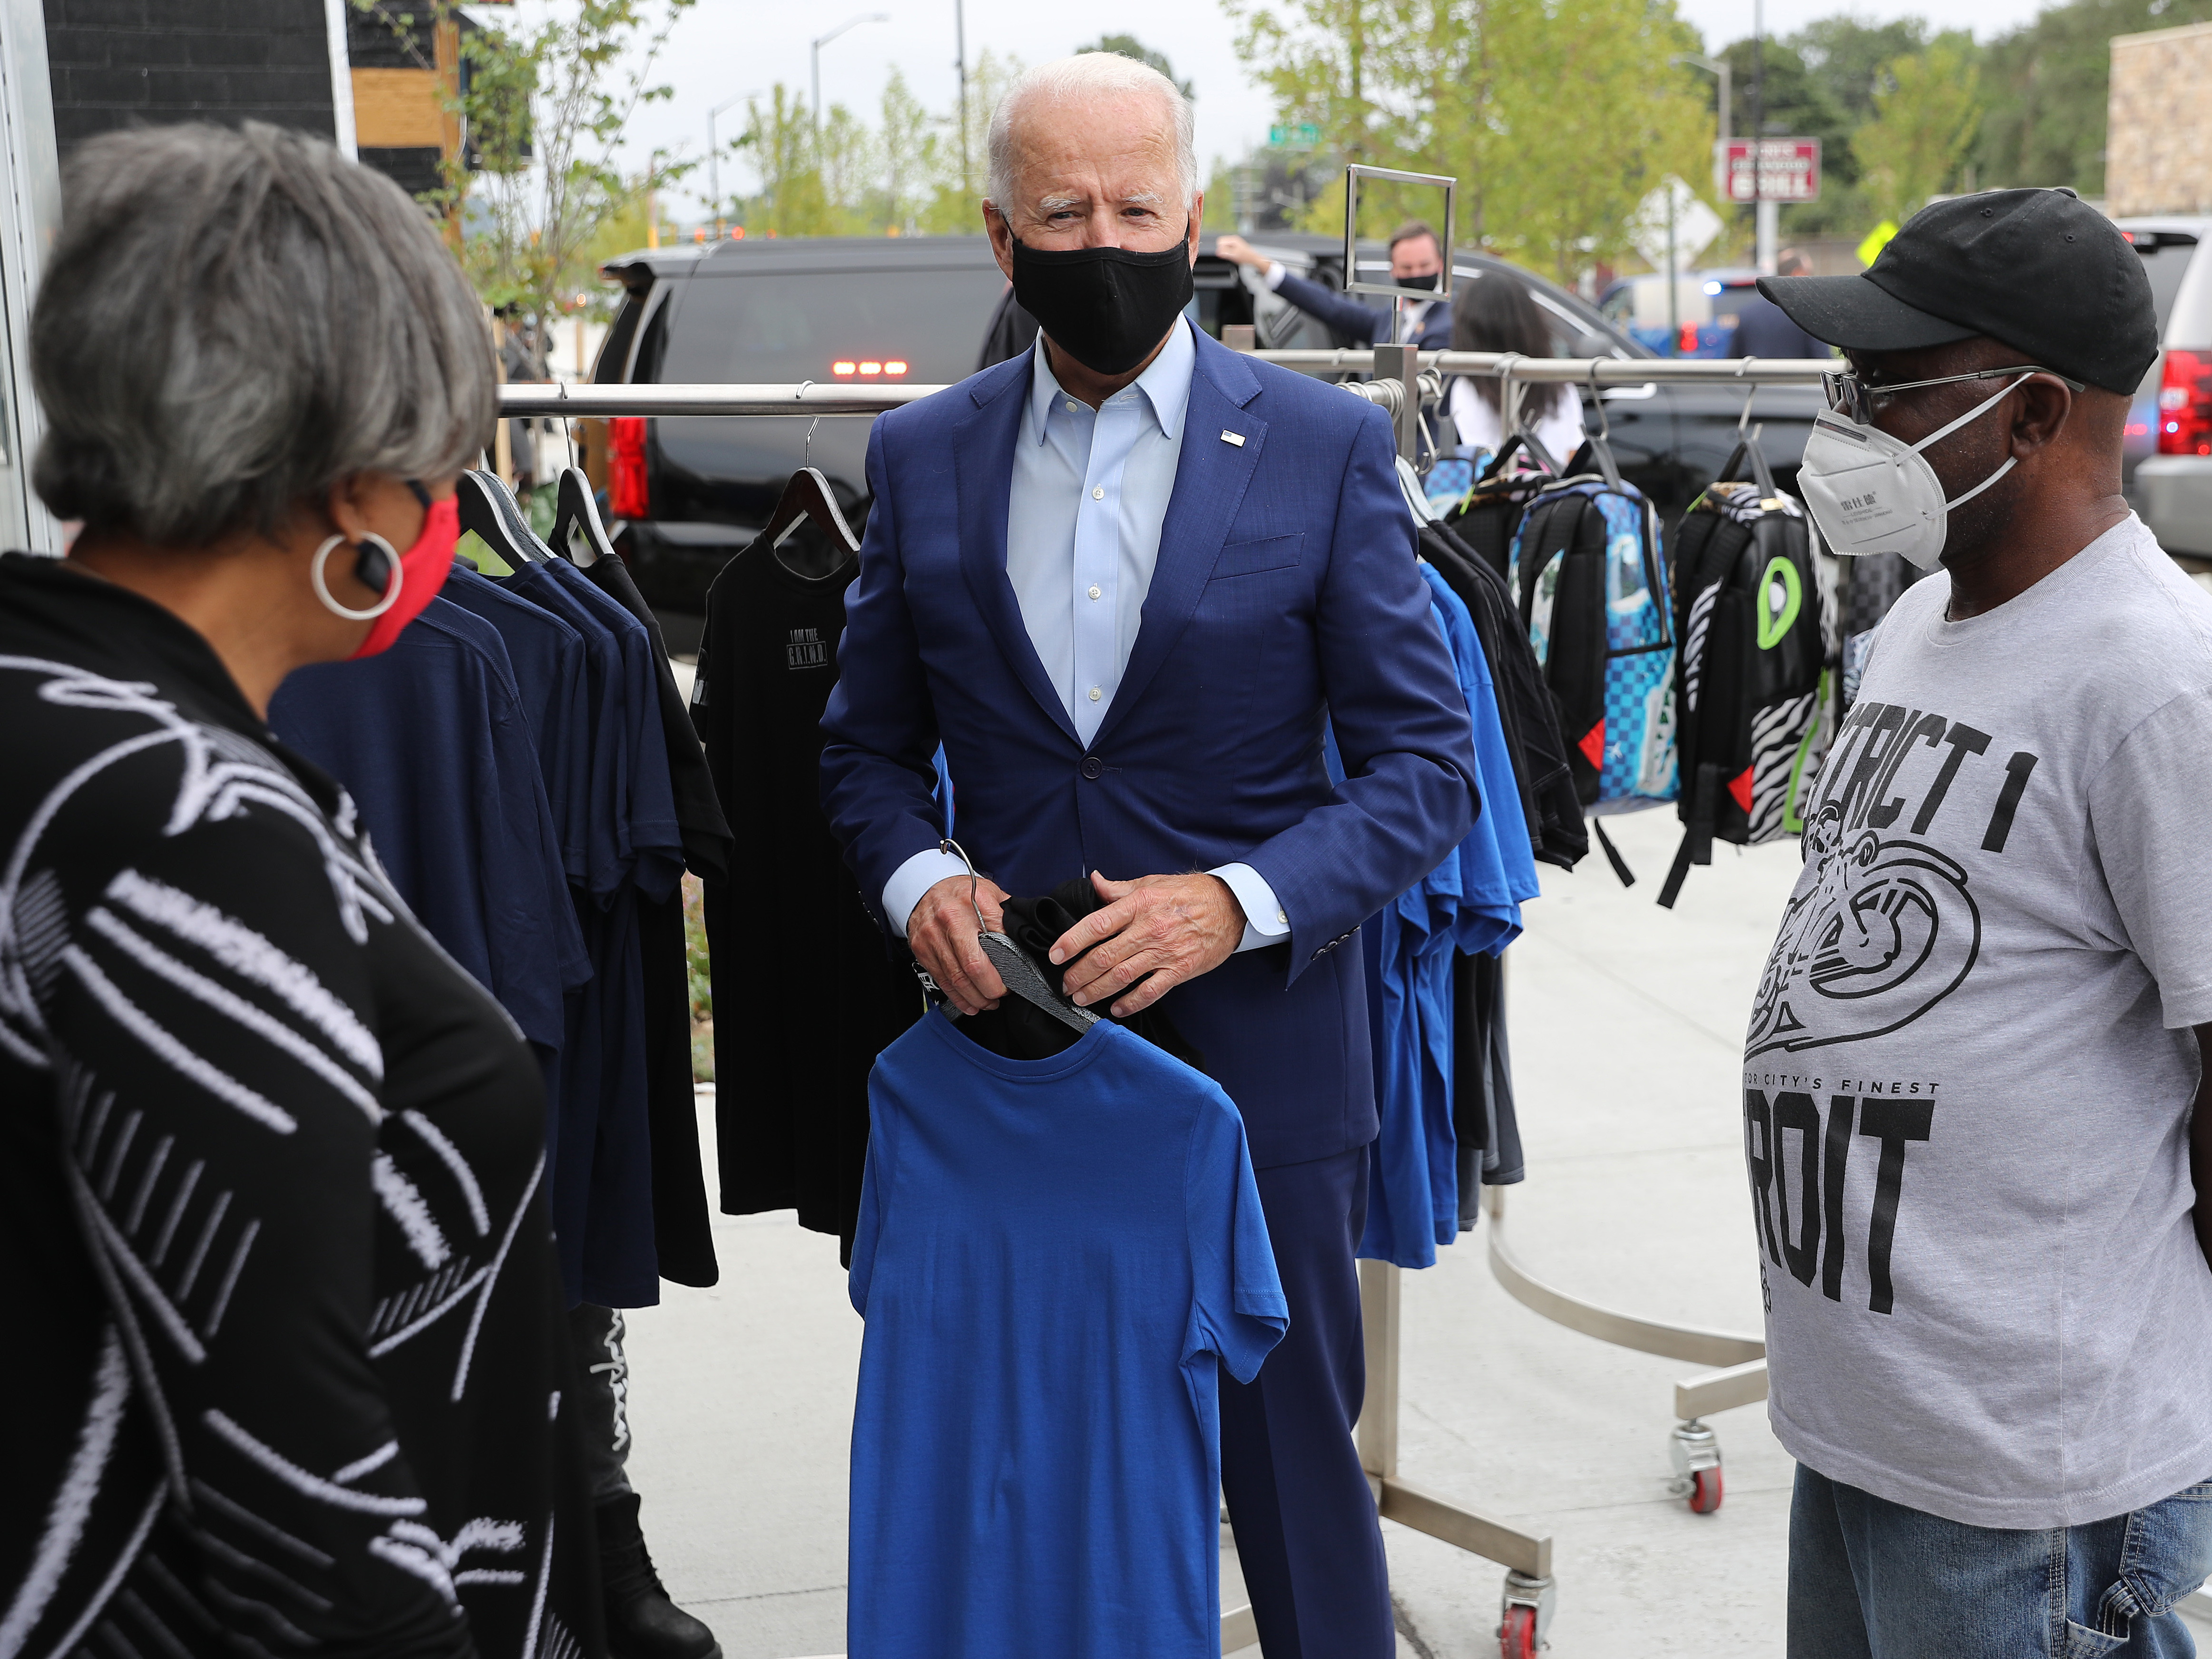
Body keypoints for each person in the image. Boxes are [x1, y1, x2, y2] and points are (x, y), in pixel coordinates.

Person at [817, 51, 1479, 1659]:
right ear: (1001, 235)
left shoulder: (1320, 448)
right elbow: (860, 752)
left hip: (1263, 1066)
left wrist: (1234, 903)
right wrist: (924, 886)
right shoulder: (924, 458)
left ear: (1194, 216)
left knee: (1292, 1477)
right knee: (1023, 1466)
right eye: (1064, 210)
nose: (1103, 237)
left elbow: (1426, 769)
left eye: (1135, 204)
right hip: (1018, 1063)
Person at [0, 124, 602, 1659]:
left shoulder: (51, 712)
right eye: (435, 466)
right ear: (351, 487)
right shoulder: (190, 823)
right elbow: (290, 1473)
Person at [1747, 187, 2212, 1656]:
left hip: (2024, 1469)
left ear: (2027, 415)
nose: (1851, 418)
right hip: (1866, 1417)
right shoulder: (1906, 628)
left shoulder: (2150, 682)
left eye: (1887, 385)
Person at [1217, 220, 1454, 349]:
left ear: (1441, 265)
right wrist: (1259, 263)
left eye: (1424, 266)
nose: (1416, 274)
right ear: (1393, 269)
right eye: (1407, 268)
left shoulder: (1451, 324)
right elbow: (1329, 306)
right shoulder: (1389, 321)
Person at [1444, 272, 1586, 471]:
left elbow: (1480, 460)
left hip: (1496, 498)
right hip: (1553, 497)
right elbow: (1572, 456)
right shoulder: (1560, 386)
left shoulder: (1467, 389)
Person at [1729, 248, 1830, 359]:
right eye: (1809, 274)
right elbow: (1823, 363)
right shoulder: (1810, 315)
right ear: (1798, 273)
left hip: (1758, 376)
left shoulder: (1747, 314)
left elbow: (1732, 364)